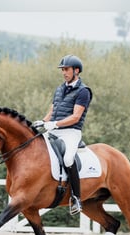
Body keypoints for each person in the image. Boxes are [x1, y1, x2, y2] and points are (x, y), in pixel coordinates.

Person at [33, 54, 92, 215]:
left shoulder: (83, 91)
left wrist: (55, 124)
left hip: (71, 133)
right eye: (63, 70)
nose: (64, 72)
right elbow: (52, 111)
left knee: (67, 158)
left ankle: (76, 198)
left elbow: (75, 117)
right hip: (54, 130)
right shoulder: (59, 89)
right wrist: (42, 122)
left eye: (66, 69)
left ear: (76, 71)